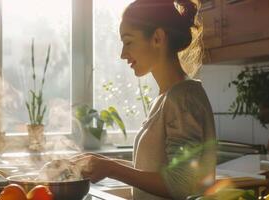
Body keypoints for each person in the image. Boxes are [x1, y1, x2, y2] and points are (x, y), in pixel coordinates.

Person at [72, 0, 217, 199]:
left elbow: (182, 184)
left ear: (157, 37)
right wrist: (102, 164)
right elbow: (154, 170)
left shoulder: (183, 98)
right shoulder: (166, 97)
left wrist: (112, 169)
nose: (123, 54)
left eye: (128, 42)